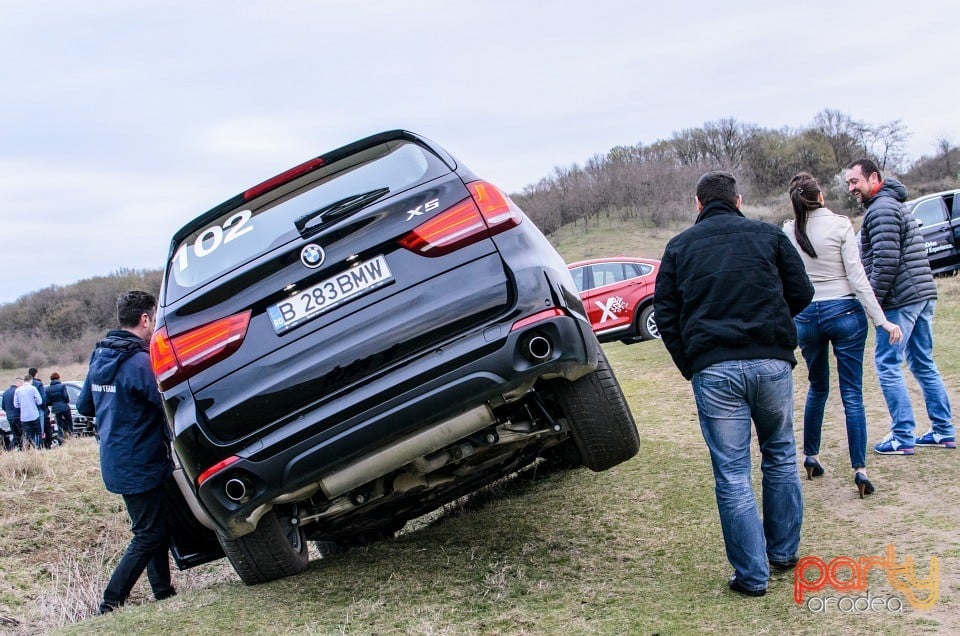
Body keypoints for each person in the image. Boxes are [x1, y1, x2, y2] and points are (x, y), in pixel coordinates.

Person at [654, 170, 814, 597]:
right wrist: (774, 325)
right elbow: (802, 291)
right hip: (770, 362)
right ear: (738, 200)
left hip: (715, 369)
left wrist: (691, 363)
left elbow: (666, 315)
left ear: (698, 204)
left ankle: (752, 575)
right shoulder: (767, 236)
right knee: (780, 456)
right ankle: (781, 553)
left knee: (732, 473)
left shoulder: (679, 248)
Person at [783, 172, 903, 498]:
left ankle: (811, 455)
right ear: (819, 196)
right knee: (852, 394)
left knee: (817, 387)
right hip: (845, 312)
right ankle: (859, 469)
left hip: (806, 316)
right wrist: (883, 322)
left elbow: (786, 283)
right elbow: (858, 278)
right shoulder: (839, 225)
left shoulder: (789, 230)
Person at [845, 159, 956, 454]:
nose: (851, 188)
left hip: (900, 299)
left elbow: (885, 261)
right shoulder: (890, 204)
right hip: (920, 295)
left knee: (887, 364)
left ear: (873, 177)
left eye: (855, 181)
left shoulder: (881, 210)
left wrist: (875, 305)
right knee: (922, 362)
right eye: (848, 184)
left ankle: (902, 436)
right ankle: (943, 431)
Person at [78, 290, 176, 614]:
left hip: (116, 459)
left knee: (152, 528)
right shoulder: (137, 362)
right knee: (147, 534)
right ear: (145, 319)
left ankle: (163, 590)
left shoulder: (99, 359)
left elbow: (84, 407)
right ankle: (111, 601)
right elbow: (165, 403)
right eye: (154, 317)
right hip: (140, 461)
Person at [14, 374, 43, 449]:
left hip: (24, 417)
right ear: (31, 380)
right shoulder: (33, 388)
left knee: (28, 435)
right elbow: (40, 401)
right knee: (38, 433)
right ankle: (38, 448)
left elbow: (16, 405)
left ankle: (31, 449)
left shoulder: (18, 390)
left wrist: (23, 405)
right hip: (34, 415)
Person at [28, 368, 51, 449]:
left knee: (31, 432)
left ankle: (33, 448)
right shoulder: (38, 384)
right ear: (36, 374)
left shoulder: (24, 385)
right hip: (39, 410)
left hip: (28, 412)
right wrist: (44, 408)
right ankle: (41, 447)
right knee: (40, 431)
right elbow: (43, 399)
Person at [46, 372, 72, 438]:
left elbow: (47, 401)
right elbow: (66, 397)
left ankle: (60, 439)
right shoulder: (62, 386)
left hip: (55, 409)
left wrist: (53, 403)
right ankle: (71, 436)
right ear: (58, 378)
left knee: (59, 425)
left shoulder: (48, 389)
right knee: (69, 423)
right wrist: (66, 402)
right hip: (64, 407)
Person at [3, 378, 25, 451]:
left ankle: (10, 450)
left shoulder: (5, 392)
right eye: (21, 384)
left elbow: (3, 406)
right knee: (22, 434)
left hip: (9, 417)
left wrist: (9, 413)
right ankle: (22, 449)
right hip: (18, 416)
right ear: (18, 383)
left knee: (15, 435)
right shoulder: (17, 391)